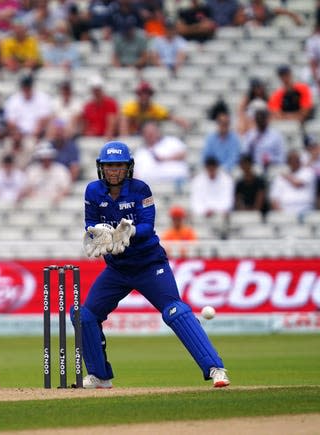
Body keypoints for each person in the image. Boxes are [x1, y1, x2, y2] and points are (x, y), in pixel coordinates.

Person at [79, 140, 229, 389]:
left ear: (128, 167)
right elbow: (90, 223)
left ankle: (215, 368)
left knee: (175, 311)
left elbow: (148, 227)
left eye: (118, 165)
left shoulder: (140, 189)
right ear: (101, 168)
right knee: (85, 316)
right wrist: (98, 232)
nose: (113, 171)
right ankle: (99, 376)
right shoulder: (93, 191)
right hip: (117, 268)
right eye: (109, 166)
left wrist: (131, 231)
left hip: (149, 264)